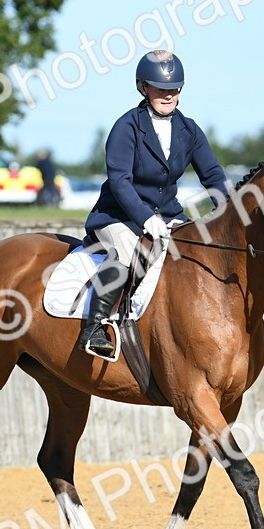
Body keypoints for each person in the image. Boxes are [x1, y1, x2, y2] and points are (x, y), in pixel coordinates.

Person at [80, 50, 229, 357]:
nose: (168, 95)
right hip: (118, 216)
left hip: (169, 216)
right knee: (125, 255)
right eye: (160, 88)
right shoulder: (127, 126)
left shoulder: (189, 130)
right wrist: (145, 218)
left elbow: (212, 174)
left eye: (174, 88)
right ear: (143, 88)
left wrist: (231, 207)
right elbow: (119, 181)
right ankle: (94, 329)